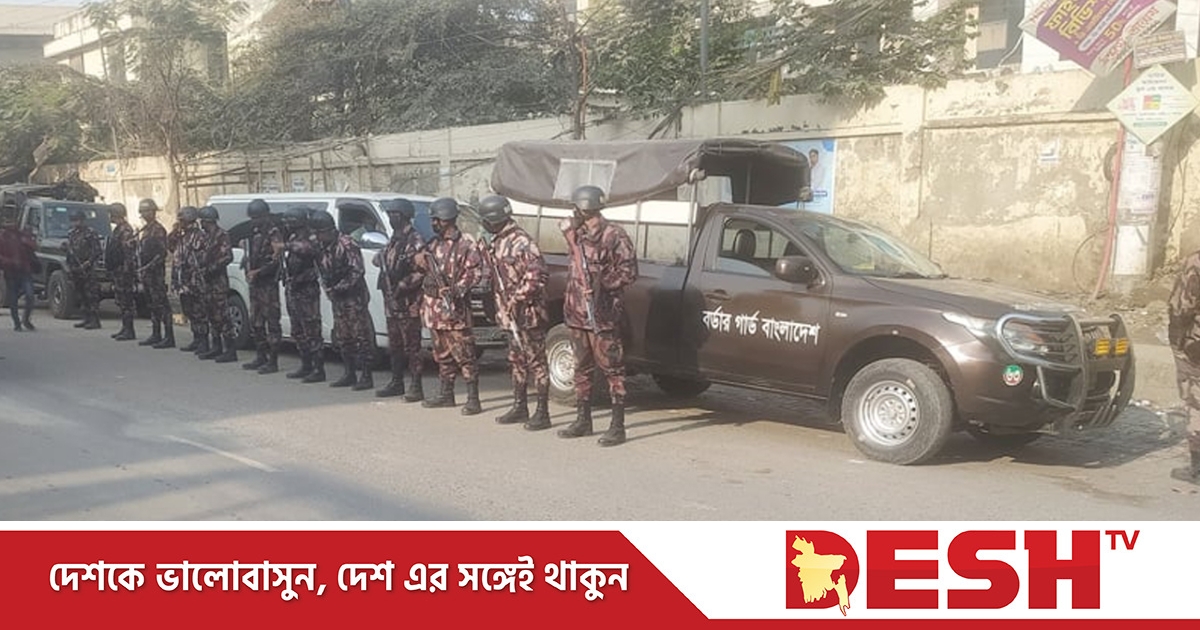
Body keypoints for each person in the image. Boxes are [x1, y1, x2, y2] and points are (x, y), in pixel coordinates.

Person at [557, 185, 638, 447]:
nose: (573, 212)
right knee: (581, 368)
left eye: (576, 208)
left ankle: (617, 426)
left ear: (585, 208)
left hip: (602, 315)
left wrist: (602, 283)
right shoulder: (576, 235)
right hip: (576, 315)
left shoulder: (614, 235)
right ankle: (583, 419)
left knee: (613, 370)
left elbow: (629, 272)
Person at [478, 195, 551, 430]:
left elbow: (538, 277)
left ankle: (542, 412)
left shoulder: (522, 242)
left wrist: (517, 298)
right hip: (509, 316)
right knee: (516, 360)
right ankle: (520, 406)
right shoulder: (497, 242)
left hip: (528, 315)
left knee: (536, 362)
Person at [417, 197, 484, 415]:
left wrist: (456, 289)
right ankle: (446, 394)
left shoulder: (465, 244)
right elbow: (422, 269)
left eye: (437, 220)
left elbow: (475, 273)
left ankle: (473, 398)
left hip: (455, 312)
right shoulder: (432, 244)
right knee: (442, 356)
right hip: (435, 311)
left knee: (465, 356)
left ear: (447, 219)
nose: (433, 224)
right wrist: (418, 261)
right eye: (433, 220)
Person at [311, 209, 375, 391]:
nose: (318, 237)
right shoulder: (321, 246)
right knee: (343, 337)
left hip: (354, 298)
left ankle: (366, 376)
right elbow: (321, 270)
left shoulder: (347, 244)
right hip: (338, 299)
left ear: (330, 230)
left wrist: (337, 288)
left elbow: (357, 271)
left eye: (320, 233)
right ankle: (349, 373)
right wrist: (328, 288)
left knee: (361, 337)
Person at [372, 198, 426, 401]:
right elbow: (379, 259)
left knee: (412, 346)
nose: (390, 217)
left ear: (403, 216)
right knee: (394, 344)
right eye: (389, 214)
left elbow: (421, 271)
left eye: (393, 214)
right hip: (391, 302)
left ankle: (416, 386)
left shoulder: (415, 240)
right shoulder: (394, 239)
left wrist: (403, 285)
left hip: (408, 302)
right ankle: (396, 382)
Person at [281, 206, 326, 383]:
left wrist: (285, 246)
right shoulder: (293, 237)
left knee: (312, 330)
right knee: (298, 329)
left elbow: (308, 250)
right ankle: (306, 365)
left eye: (289, 222)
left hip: (307, 291)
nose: (286, 226)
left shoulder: (312, 237)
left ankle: (318, 369)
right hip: (293, 288)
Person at [1167, 252, 1200, 485]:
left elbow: (1182, 307)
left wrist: (1177, 340)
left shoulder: (1196, 263)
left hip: (1195, 346)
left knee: (1196, 401)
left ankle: (1197, 469)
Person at [241, 199, 285, 374]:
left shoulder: (274, 233)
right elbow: (251, 255)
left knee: (272, 323)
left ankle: (273, 361)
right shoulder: (254, 232)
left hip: (268, 284)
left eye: (257, 218)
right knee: (256, 322)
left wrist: (258, 272)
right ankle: (261, 356)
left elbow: (276, 261)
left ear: (265, 216)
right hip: (256, 285)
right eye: (252, 218)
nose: (254, 221)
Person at [195, 205, 238, 363]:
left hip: (218, 281)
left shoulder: (222, 235)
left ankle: (230, 350)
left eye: (202, 221)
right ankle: (216, 346)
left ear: (208, 221)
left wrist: (212, 268)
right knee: (211, 314)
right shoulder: (205, 237)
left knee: (223, 316)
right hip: (206, 282)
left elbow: (228, 256)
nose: (201, 224)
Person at [136, 199, 174, 348]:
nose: (145, 214)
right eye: (143, 211)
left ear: (153, 212)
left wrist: (148, 267)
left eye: (147, 211)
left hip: (156, 274)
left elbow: (162, 253)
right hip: (146, 274)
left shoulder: (158, 230)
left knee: (162, 305)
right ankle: (156, 333)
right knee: (152, 305)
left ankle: (169, 336)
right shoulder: (145, 230)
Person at [170, 206, 207, 352]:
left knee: (199, 312)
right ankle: (196, 338)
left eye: (182, 220)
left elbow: (200, 257)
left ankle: (203, 341)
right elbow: (170, 246)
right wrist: (175, 231)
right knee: (189, 310)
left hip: (194, 280)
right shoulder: (182, 236)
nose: (180, 223)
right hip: (183, 281)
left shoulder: (199, 236)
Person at [66, 207, 103, 330]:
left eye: (78, 220)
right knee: (81, 294)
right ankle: (86, 318)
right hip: (76, 268)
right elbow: (70, 251)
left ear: (83, 220)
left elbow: (97, 251)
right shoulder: (71, 233)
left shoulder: (90, 233)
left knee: (91, 295)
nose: (76, 223)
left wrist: (88, 263)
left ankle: (95, 320)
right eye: (74, 220)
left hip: (88, 269)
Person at [106, 203, 139, 341]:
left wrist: (127, 271)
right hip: (118, 270)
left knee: (126, 301)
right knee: (121, 301)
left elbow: (128, 253)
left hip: (124, 272)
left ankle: (129, 330)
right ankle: (125, 328)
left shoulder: (125, 230)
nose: (110, 217)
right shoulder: (118, 229)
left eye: (111, 214)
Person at [0, 213, 37, 332]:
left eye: (12, 220)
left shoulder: (22, 234)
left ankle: (26, 319)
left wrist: (27, 241)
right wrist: (11, 261)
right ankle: (17, 323)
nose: (11, 223)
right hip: (11, 272)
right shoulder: (2, 237)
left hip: (25, 270)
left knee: (30, 295)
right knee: (13, 299)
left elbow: (34, 246)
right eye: (8, 221)